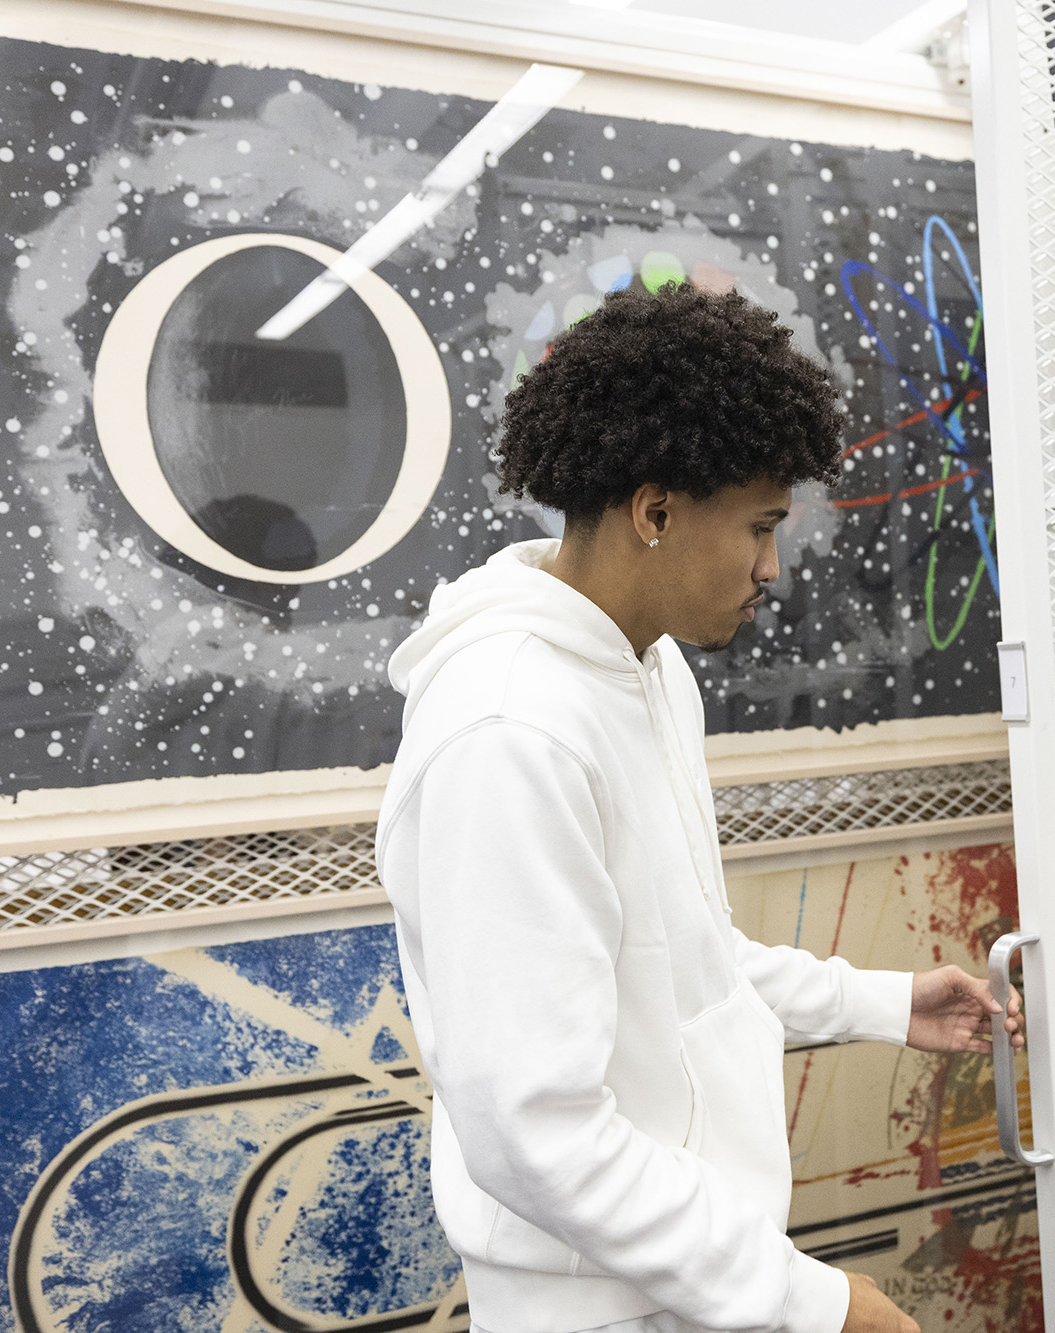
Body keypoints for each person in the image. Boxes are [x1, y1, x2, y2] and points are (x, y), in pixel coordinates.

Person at [377, 283, 1022, 1333]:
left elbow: (680, 957)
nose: (772, 567)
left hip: (698, 1273)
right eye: (759, 527)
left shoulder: (648, 666)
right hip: (599, 1306)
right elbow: (530, 1129)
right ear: (655, 510)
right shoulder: (508, 731)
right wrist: (812, 1300)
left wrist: (878, 1002)